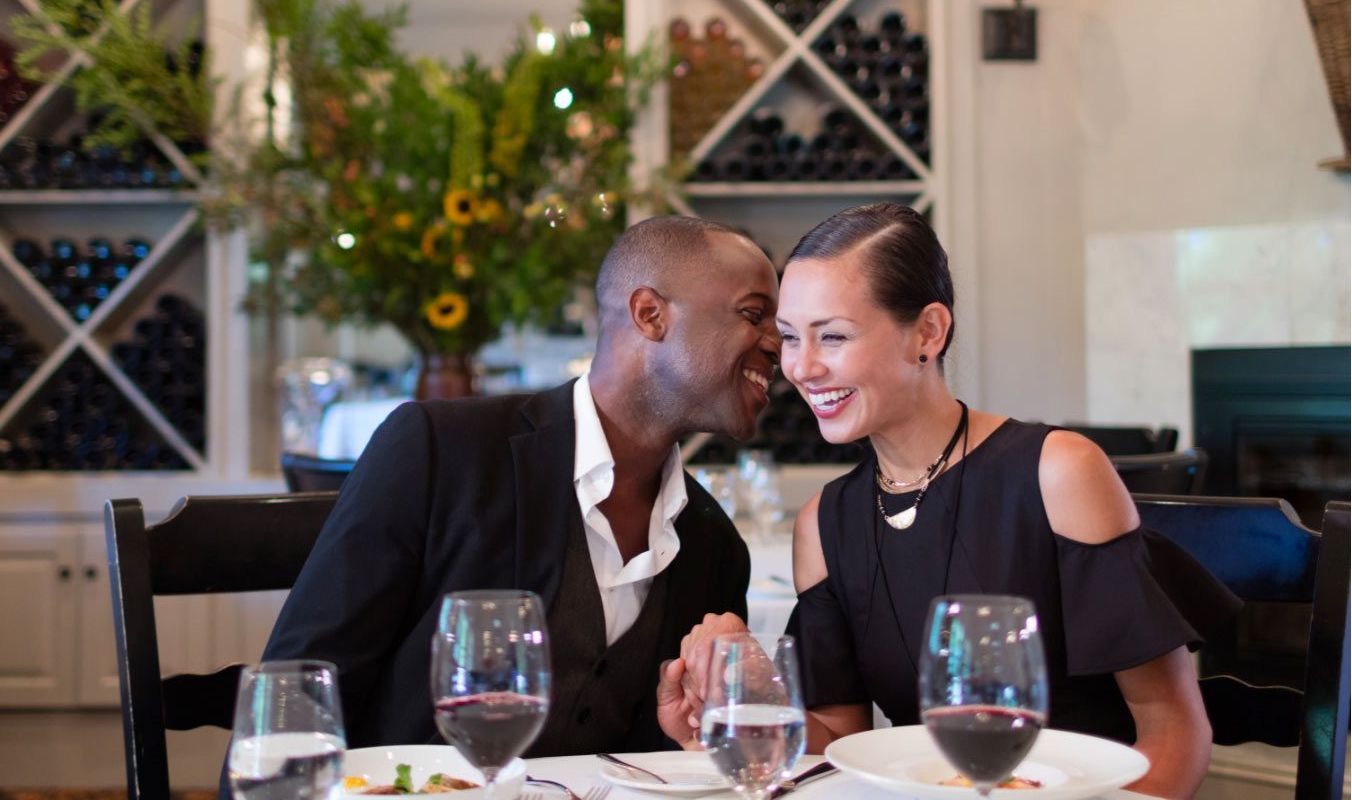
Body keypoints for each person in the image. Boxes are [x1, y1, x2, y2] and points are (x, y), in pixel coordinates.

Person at [664, 203, 1240, 799]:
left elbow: (1173, 732)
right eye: (788, 338)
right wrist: (738, 705)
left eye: (832, 336)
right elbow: (839, 738)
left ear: (929, 333)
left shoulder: (1058, 473)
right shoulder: (824, 525)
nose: (802, 368)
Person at [256, 215, 781, 755]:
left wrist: (696, 736)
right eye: (754, 314)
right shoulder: (439, 453)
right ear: (649, 314)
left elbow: (655, 757)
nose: (778, 345)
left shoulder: (714, 545)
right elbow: (298, 690)